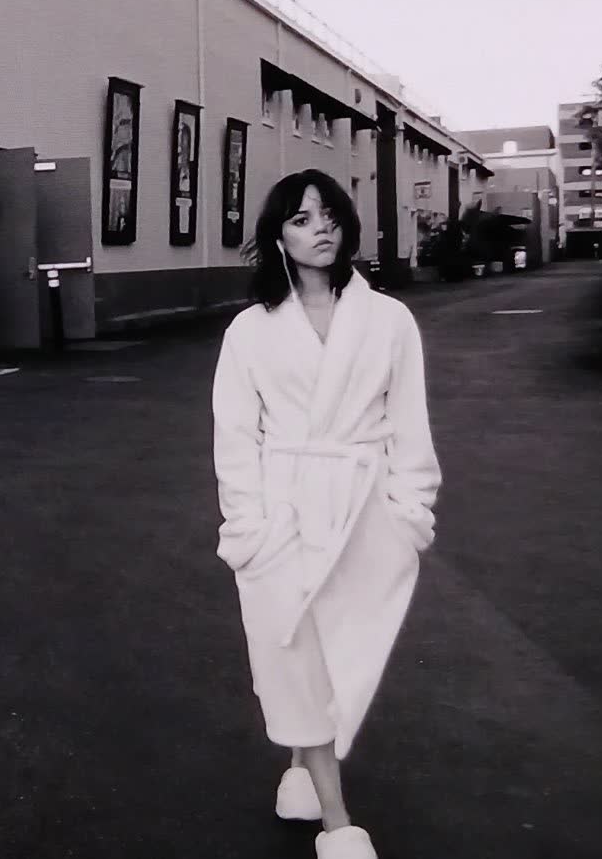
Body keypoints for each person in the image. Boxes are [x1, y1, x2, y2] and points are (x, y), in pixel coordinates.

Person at [210, 169, 441, 859]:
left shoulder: (389, 320)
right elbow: (234, 436)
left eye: (330, 215)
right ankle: (337, 823)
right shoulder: (250, 330)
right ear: (277, 235)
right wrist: (248, 528)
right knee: (291, 658)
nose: (321, 230)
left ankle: (300, 771)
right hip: (280, 512)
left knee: (341, 657)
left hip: (363, 511)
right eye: (302, 219)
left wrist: (409, 511)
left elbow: (409, 423)